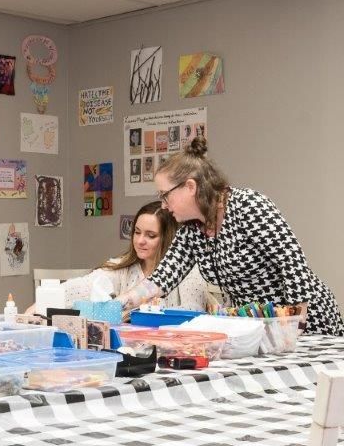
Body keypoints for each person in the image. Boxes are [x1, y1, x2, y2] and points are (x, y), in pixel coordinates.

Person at [118, 137, 344, 335]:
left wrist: (295, 326)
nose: (164, 205)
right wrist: (116, 306)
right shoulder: (191, 230)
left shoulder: (249, 206)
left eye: (165, 195)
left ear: (189, 187)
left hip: (306, 322)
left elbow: (293, 265)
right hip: (260, 327)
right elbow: (160, 279)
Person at [58, 201, 207, 310]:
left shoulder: (189, 272)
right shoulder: (123, 268)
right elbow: (82, 286)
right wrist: (42, 302)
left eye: (151, 235)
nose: (140, 241)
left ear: (168, 237)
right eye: (137, 232)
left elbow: (194, 309)